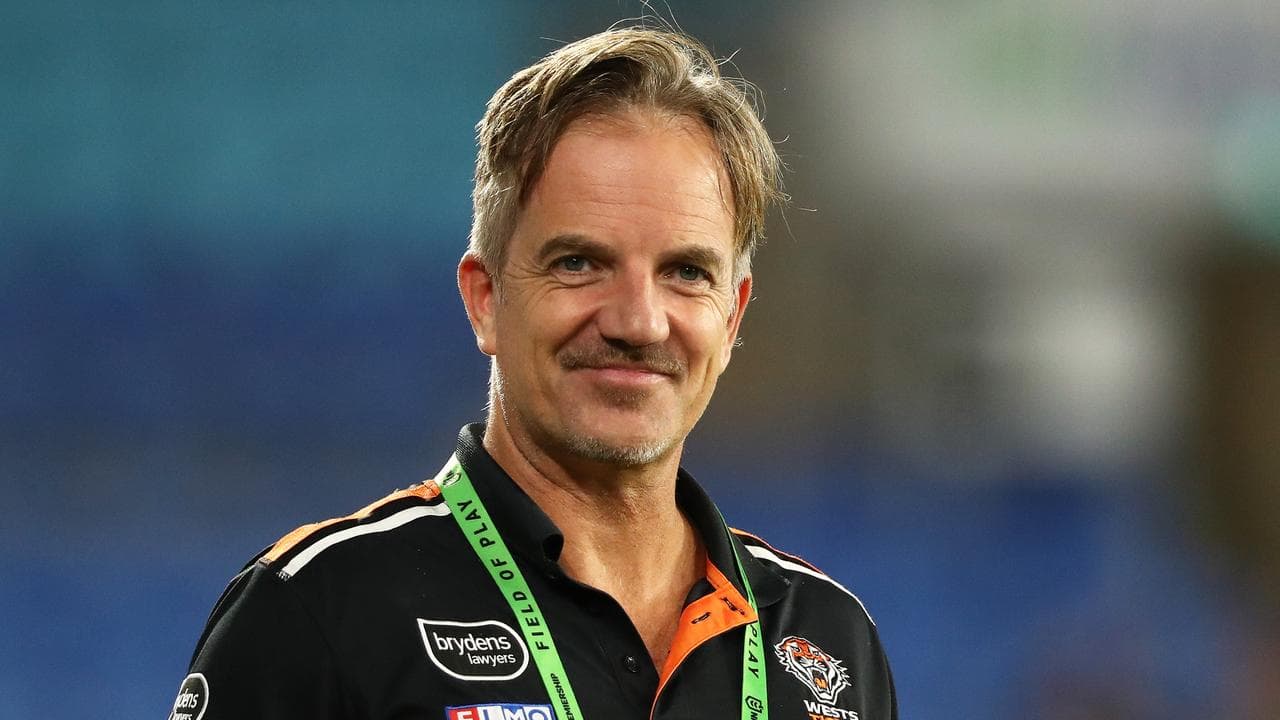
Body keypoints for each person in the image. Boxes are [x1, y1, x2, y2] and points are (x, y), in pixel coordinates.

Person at [170, 26, 896, 720]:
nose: (639, 322)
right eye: (579, 263)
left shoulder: (830, 640)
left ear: (731, 317)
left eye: (685, 272)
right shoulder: (316, 612)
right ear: (486, 300)